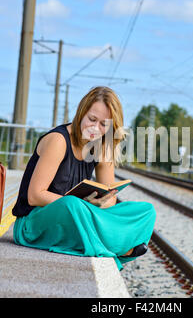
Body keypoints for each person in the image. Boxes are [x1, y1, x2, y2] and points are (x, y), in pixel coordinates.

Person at [11, 86, 156, 271]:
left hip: (78, 217)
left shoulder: (102, 146)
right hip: (32, 225)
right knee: (72, 204)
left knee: (145, 210)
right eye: (92, 119)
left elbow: (110, 199)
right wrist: (83, 205)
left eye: (104, 124)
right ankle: (118, 248)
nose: (95, 128)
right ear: (81, 112)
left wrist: (100, 202)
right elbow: (35, 196)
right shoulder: (59, 140)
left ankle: (107, 243)